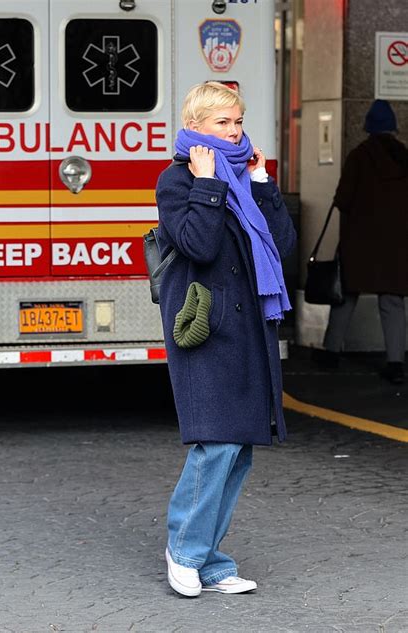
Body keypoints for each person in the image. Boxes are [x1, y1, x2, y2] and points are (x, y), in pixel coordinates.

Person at [155, 82, 296, 597]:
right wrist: (207, 183)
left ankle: (212, 561)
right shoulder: (176, 180)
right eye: (222, 123)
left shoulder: (244, 178)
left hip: (251, 327)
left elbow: (281, 249)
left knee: (239, 448)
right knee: (215, 442)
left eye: (237, 121)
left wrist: (260, 181)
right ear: (195, 126)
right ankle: (185, 551)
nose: (235, 131)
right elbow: (199, 244)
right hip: (208, 326)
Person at [314, 100, 408, 385]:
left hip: (360, 242)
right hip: (396, 245)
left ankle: (331, 352)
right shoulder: (404, 157)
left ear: (368, 126)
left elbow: (343, 199)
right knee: (392, 302)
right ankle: (395, 362)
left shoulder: (359, 156)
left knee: (346, 294)